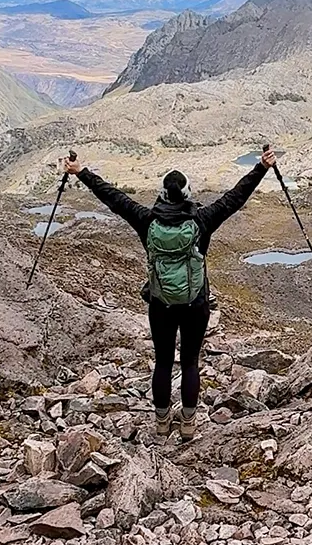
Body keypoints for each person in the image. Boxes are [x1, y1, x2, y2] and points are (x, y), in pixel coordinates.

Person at [63, 147, 277, 441]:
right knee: (190, 361)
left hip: (160, 304)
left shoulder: (146, 221)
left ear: (162, 194)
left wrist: (81, 173)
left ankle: (162, 424)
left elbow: (113, 198)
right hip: (195, 303)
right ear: (187, 195)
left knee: (163, 361)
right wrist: (261, 168)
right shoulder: (202, 221)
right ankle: (188, 424)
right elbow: (235, 198)